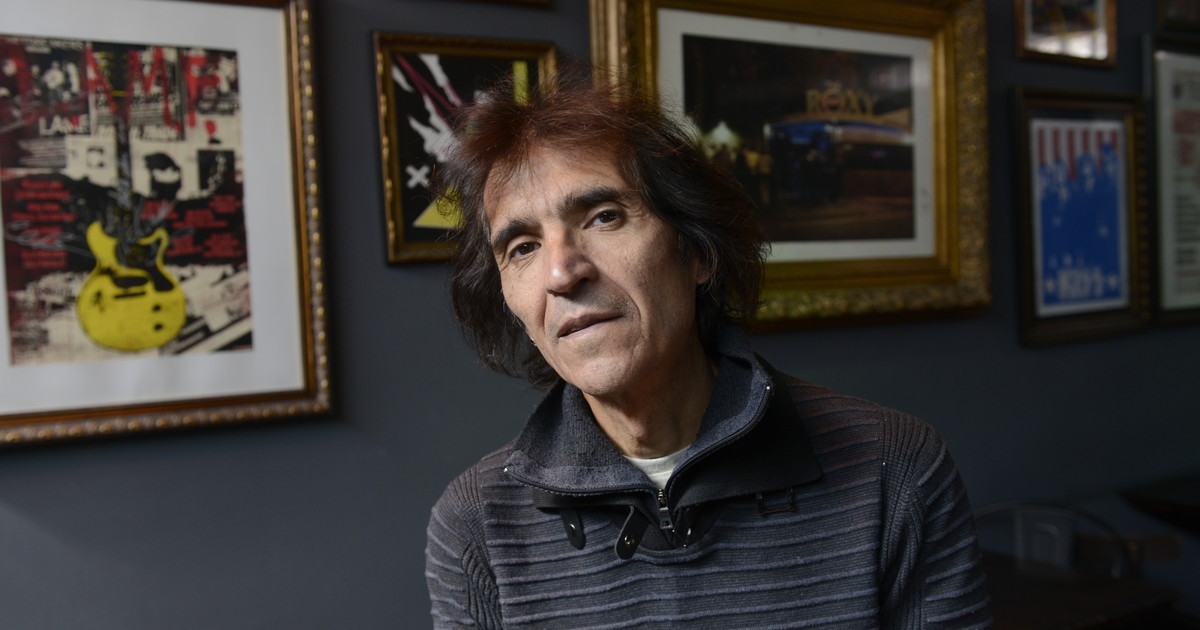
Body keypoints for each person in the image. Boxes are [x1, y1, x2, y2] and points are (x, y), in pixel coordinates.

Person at [425, 72, 991, 629]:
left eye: (604, 217)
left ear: (697, 252)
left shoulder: (895, 471)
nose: (561, 273)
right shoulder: (477, 526)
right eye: (523, 247)